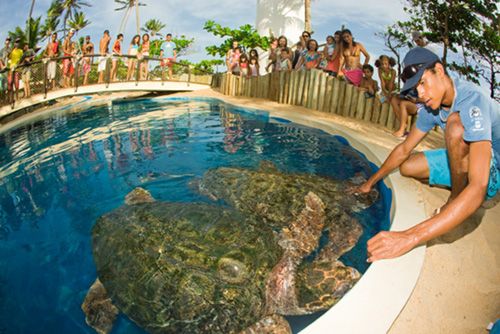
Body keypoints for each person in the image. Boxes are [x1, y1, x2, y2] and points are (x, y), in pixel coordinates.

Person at [352, 47, 499, 262]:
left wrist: (409, 237)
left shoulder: (472, 100)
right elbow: (403, 150)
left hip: (491, 166)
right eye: (414, 88)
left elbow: (478, 186)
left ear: (439, 70)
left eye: (422, 83)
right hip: (465, 152)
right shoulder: (431, 107)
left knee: (455, 126)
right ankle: (459, 183)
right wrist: (370, 183)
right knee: (408, 167)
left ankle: (455, 198)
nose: (419, 94)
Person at [7, 39, 23, 103]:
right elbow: (8, 57)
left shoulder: (21, 51)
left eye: (18, 42)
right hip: (11, 69)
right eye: (16, 42)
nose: (17, 44)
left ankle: (17, 97)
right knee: (10, 84)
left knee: (16, 84)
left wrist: (20, 64)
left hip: (17, 69)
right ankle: (11, 98)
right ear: (14, 44)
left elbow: (22, 59)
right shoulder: (12, 51)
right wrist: (10, 50)